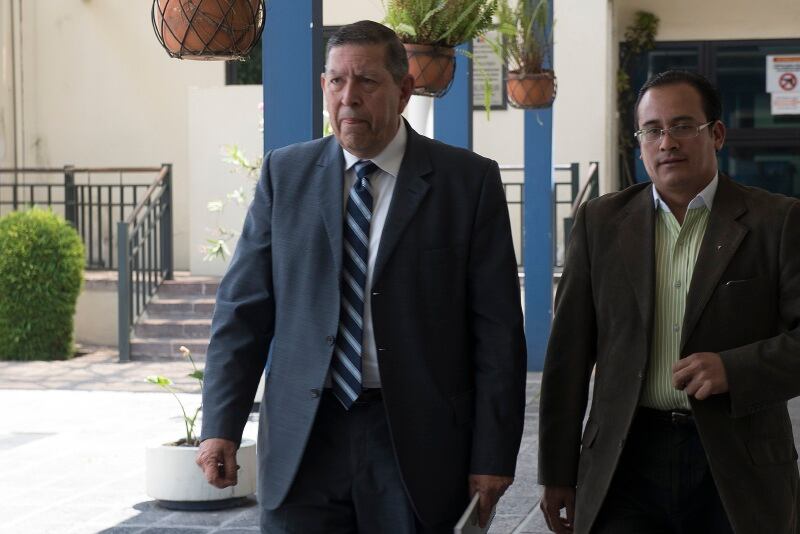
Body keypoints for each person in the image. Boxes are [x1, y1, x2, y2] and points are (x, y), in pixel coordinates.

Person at [195, 20, 527, 534]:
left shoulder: (467, 182)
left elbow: (498, 332)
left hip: (415, 442)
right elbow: (243, 310)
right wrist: (220, 425)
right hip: (304, 439)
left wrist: (493, 454)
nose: (348, 97)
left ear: (404, 90)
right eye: (336, 81)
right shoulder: (285, 174)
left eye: (367, 81)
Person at [538, 69, 800, 534]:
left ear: (716, 134)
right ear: (639, 142)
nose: (667, 142)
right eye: (652, 130)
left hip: (737, 462)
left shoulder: (776, 222)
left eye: (682, 126)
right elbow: (567, 357)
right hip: (625, 461)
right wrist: (557, 471)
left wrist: (735, 369)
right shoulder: (601, 223)